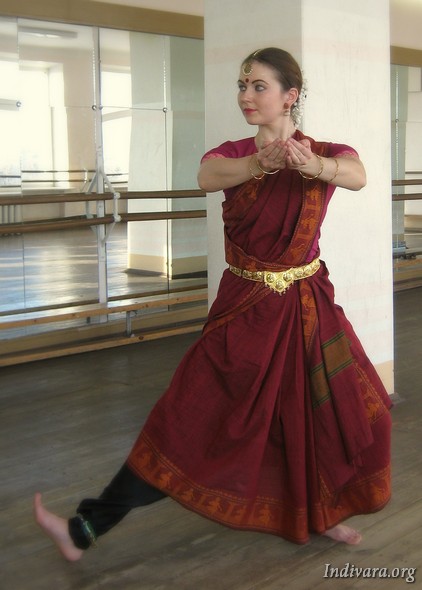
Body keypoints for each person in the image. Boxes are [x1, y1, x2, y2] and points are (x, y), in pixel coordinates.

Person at [34, 47, 392, 561]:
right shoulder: (231, 154)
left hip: (308, 309)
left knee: (331, 412)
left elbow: (357, 174)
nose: (245, 95)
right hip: (245, 310)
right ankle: (84, 529)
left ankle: (322, 514)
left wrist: (314, 165)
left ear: (289, 96)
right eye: (242, 85)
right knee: (189, 419)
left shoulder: (327, 152)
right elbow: (208, 177)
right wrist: (258, 163)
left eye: (258, 86)